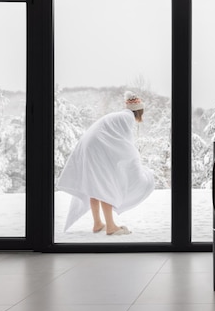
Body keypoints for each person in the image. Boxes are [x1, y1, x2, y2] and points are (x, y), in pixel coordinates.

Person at [57, 91, 156, 235]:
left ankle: (98, 224)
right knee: (106, 186)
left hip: (89, 147)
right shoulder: (127, 117)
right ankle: (111, 226)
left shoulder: (118, 116)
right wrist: (135, 162)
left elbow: (115, 139)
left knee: (95, 186)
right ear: (139, 111)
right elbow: (126, 143)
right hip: (97, 149)